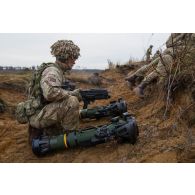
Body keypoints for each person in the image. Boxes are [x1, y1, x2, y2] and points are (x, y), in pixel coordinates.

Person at [27, 40, 82, 142]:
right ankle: (69, 138)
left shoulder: (57, 70)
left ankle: (48, 131)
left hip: (40, 113)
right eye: (73, 58)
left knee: (69, 98)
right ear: (65, 57)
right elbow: (50, 93)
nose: (74, 61)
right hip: (38, 116)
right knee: (71, 101)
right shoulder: (53, 71)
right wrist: (71, 94)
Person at [125, 33, 195, 98]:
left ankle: (133, 78)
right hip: (170, 56)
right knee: (159, 71)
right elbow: (169, 43)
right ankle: (141, 87)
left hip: (169, 55)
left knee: (150, 66)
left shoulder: (187, 39)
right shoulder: (181, 35)